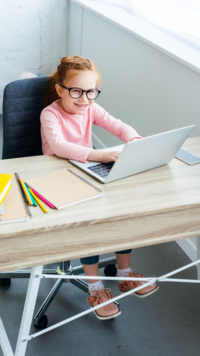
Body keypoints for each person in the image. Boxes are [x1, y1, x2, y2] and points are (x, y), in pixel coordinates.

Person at [40, 55, 159, 320]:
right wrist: (100, 155)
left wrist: (135, 139)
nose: (84, 99)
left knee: (121, 214)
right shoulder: (50, 113)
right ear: (60, 90)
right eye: (76, 91)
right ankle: (95, 288)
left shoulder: (92, 108)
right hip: (58, 177)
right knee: (90, 224)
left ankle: (125, 275)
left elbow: (117, 126)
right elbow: (59, 147)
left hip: (86, 170)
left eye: (90, 92)